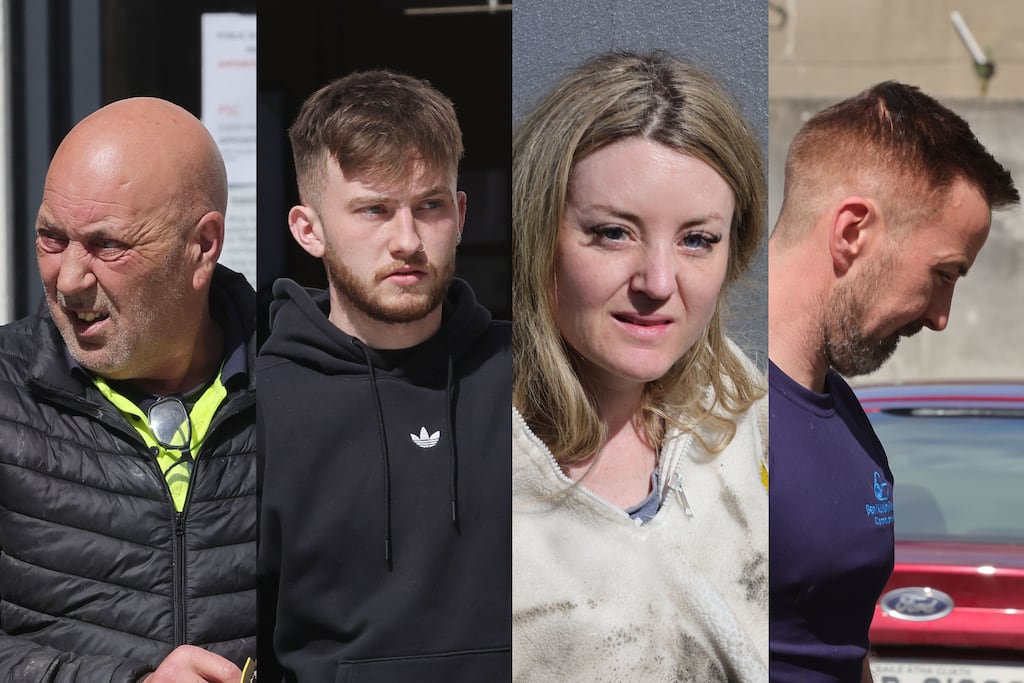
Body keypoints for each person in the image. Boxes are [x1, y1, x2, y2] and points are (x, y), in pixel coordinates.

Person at [512, 51, 768, 681]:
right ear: (539, 236)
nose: (658, 282)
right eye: (613, 233)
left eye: (697, 239)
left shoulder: (746, 414)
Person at [257, 70, 511, 681]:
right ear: (308, 229)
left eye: (430, 206)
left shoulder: (531, 380)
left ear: (461, 212)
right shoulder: (259, 402)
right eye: (374, 210)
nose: (407, 240)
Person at [768, 82, 1019, 682]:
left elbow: (843, 646)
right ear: (852, 231)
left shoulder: (845, 413)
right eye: (944, 273)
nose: (941, 317)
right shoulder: (698, 405)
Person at [0, 98, 257, 681]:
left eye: (107, 245)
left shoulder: (302, 385)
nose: (68, 279)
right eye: (51, 238)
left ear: (203, 246)